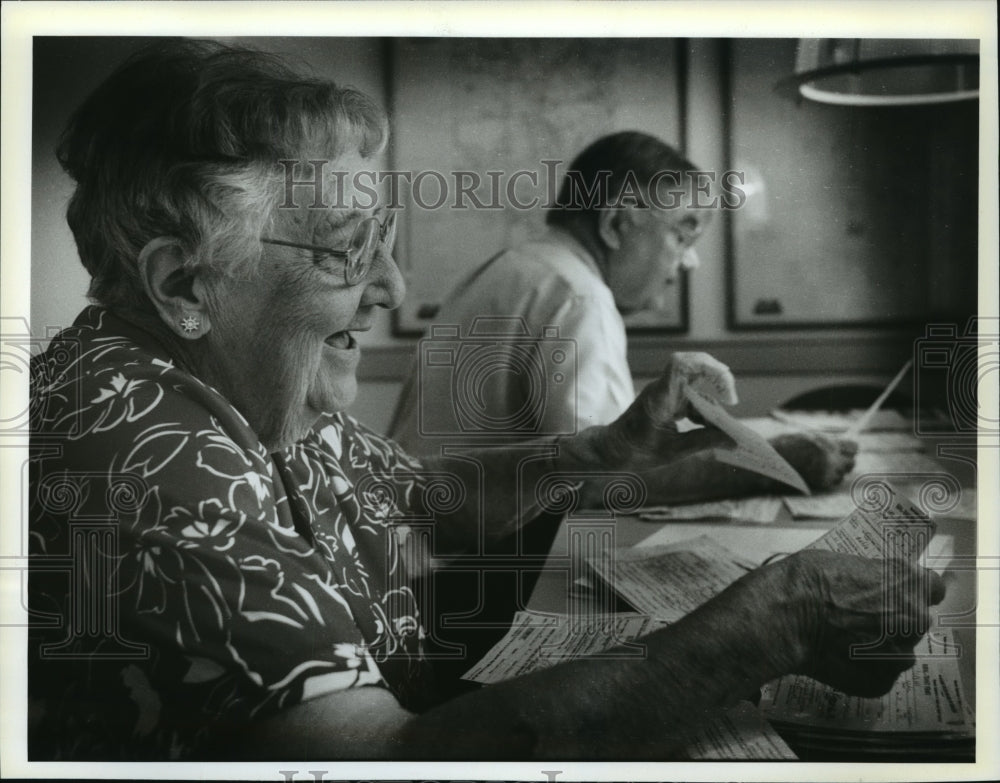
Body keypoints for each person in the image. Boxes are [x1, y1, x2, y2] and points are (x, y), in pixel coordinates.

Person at [29, 39, 943, 761]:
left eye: (383, 234)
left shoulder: (239, 384)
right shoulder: (151, 461)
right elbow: (390, 761)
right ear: (186, 283)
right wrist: (775, 620)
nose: (391, 283)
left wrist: (604, 448)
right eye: (349, 247)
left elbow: (427, 500)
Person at [389, 131, 857, 501]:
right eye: (682, 235)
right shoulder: (581, 296)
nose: (690, 263)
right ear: (615, 224)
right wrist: (773, 464)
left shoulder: (519, 268)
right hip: (458, 566)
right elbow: (597, 479)